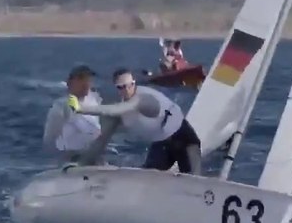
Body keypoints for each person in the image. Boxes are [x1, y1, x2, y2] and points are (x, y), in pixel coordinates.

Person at [73, 68, 202, 174]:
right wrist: (83, 164)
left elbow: (118, 109)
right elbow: (102, 138)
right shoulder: (120, 113)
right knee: (147, 175)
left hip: (185, 139)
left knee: (194, 180)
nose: (128, 89)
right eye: (122, 87)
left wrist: (81, 108)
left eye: (131, 84)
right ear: (116, 88)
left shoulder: (142, 98)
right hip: (162, 144)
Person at [42, 65, 110, 164]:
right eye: (81, 79)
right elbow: (49, 139)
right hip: (72, 160)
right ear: (70, 82)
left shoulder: (95, 100)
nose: (86, 83)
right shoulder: (61, 106)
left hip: (97, 158)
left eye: (88, 79)